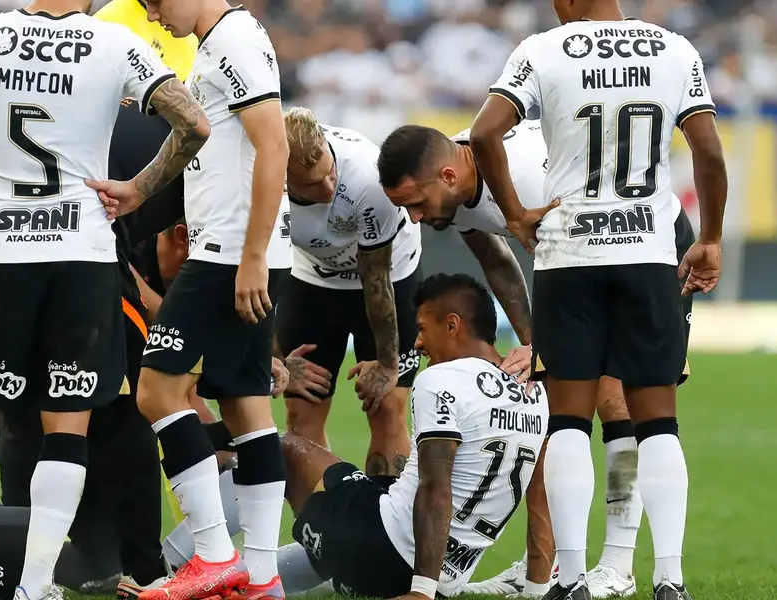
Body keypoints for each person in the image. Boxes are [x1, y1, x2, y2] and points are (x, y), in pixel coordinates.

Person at [0, 0, 209, 597]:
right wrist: (138, 188)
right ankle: (34, 586)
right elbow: (195, 125)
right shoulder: (112, 43)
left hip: (0, 255)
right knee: (66, 428)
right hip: (82, 258)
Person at [468, 0, 727, 598]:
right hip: (649, 252)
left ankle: (574, 580)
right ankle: (670, 579)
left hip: (570, 254)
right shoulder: (673, 49)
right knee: (658, 423)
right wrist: (709, 239)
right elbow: (709, 153)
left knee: (566, 423)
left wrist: (513, 213)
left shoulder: (540, 50)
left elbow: (483, 133)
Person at [376, 121, 697, 598]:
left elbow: (586, 253)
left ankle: (618, 563)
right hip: (588, 252)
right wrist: (536, 344)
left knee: (615, 398)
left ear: (446, 176)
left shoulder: (526, 177)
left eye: (417, 204)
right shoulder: (461, 181)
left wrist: (543, 344)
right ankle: (543, 567)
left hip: (643, 240)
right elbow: (498, 261)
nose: (417, 219)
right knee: (557, 398)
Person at [86, 1, 292, 599]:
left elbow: (273, 145)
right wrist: (139, 189)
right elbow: (198, 140)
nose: (151, 13)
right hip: (243, 251)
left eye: (154, 0)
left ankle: (212, 554)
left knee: (155, 391)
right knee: (247, 405)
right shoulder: (224, 40)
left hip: (228, 253)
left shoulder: (233, 41)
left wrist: (251, 254)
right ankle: (260, 577)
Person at [283, 272, 547, 599]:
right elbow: (541, 491)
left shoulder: (440, 379)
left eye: (422, 329)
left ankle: (222, 560)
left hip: (385, 552)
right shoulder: (535, 392)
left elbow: (435, 487)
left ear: (452, 325)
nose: (418, 343)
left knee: (282, 448)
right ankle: (281, 574)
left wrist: (421, 591)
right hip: (447, 577)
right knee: (382, 485)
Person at [275, 106, 423, 478]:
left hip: (390, 276)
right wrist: (272, 358)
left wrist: (389, 364)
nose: (327, 190)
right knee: (300, 414)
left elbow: (376, 280)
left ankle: (386, 530)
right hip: (312, 278)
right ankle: (322, 531)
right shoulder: (255, 181)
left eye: (329, 172)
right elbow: (249, 280)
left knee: (387, 409)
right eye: (310, 184)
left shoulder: (367, 177)